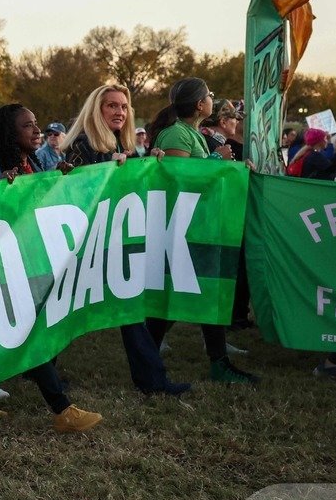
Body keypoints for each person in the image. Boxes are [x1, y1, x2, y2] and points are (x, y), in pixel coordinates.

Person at [0, 104, 107, 432]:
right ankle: (61, 409)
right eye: (27, 126)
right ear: (8, 132)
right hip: (1, 264)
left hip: (24, 258)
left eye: (36, 124)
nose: (37, 131)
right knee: (28, 328)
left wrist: (55, 181)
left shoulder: (28, 161)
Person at [59, 83, 191, 396]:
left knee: (129, 309)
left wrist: (147, 165)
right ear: (97, 110)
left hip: (111, 242)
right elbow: (70, 191)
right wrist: (109, 169)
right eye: (111, 106)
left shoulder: (123, 143)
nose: (119, 112)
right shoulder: (82, 144)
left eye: (123, 106)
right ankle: (39, 369)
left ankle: (152, 379)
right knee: (63, 308)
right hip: (81, 246)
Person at [147, 77, 258, 384]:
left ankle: (210, 361)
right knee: (177, 293)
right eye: (209, 95)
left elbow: (207, 176)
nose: (213, 98)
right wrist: (215, 160)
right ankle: (157, 359)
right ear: (199, 104)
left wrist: (235, 169)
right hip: (181, 229)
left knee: (200, 291)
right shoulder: (175, 135)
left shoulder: (191, 133)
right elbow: (176, 181)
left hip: (200, 227)